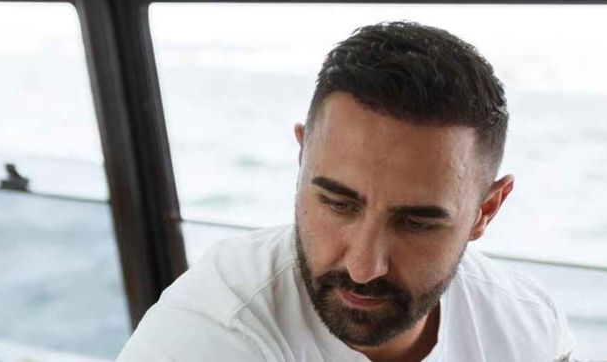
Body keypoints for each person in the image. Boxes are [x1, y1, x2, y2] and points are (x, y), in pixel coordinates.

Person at [118, 21, 576, 361]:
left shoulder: (526, 324)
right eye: (338, 204)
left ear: (486, 210)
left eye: (416, 223)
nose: (363, 267)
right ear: (302, 159)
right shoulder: (206, 334)